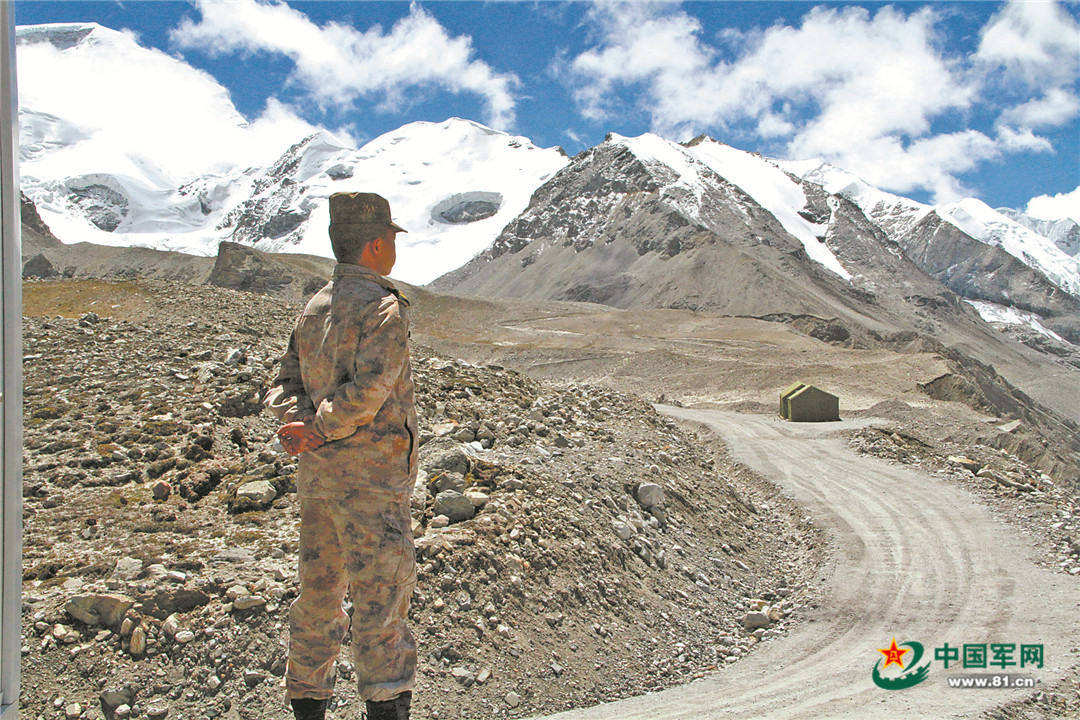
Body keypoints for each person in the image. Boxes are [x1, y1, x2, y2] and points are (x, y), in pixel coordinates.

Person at [263, 191, 419, 720]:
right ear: (375, 245)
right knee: (381, 603)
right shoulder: (383, 308)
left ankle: (307, 705)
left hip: (319, 482)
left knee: (318, 599)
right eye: (390, 238)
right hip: (372, 485)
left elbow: (283, 383)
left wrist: (302, 428)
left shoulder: (314, 308)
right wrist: (319, 427)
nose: (393, 248)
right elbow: (370, 392)